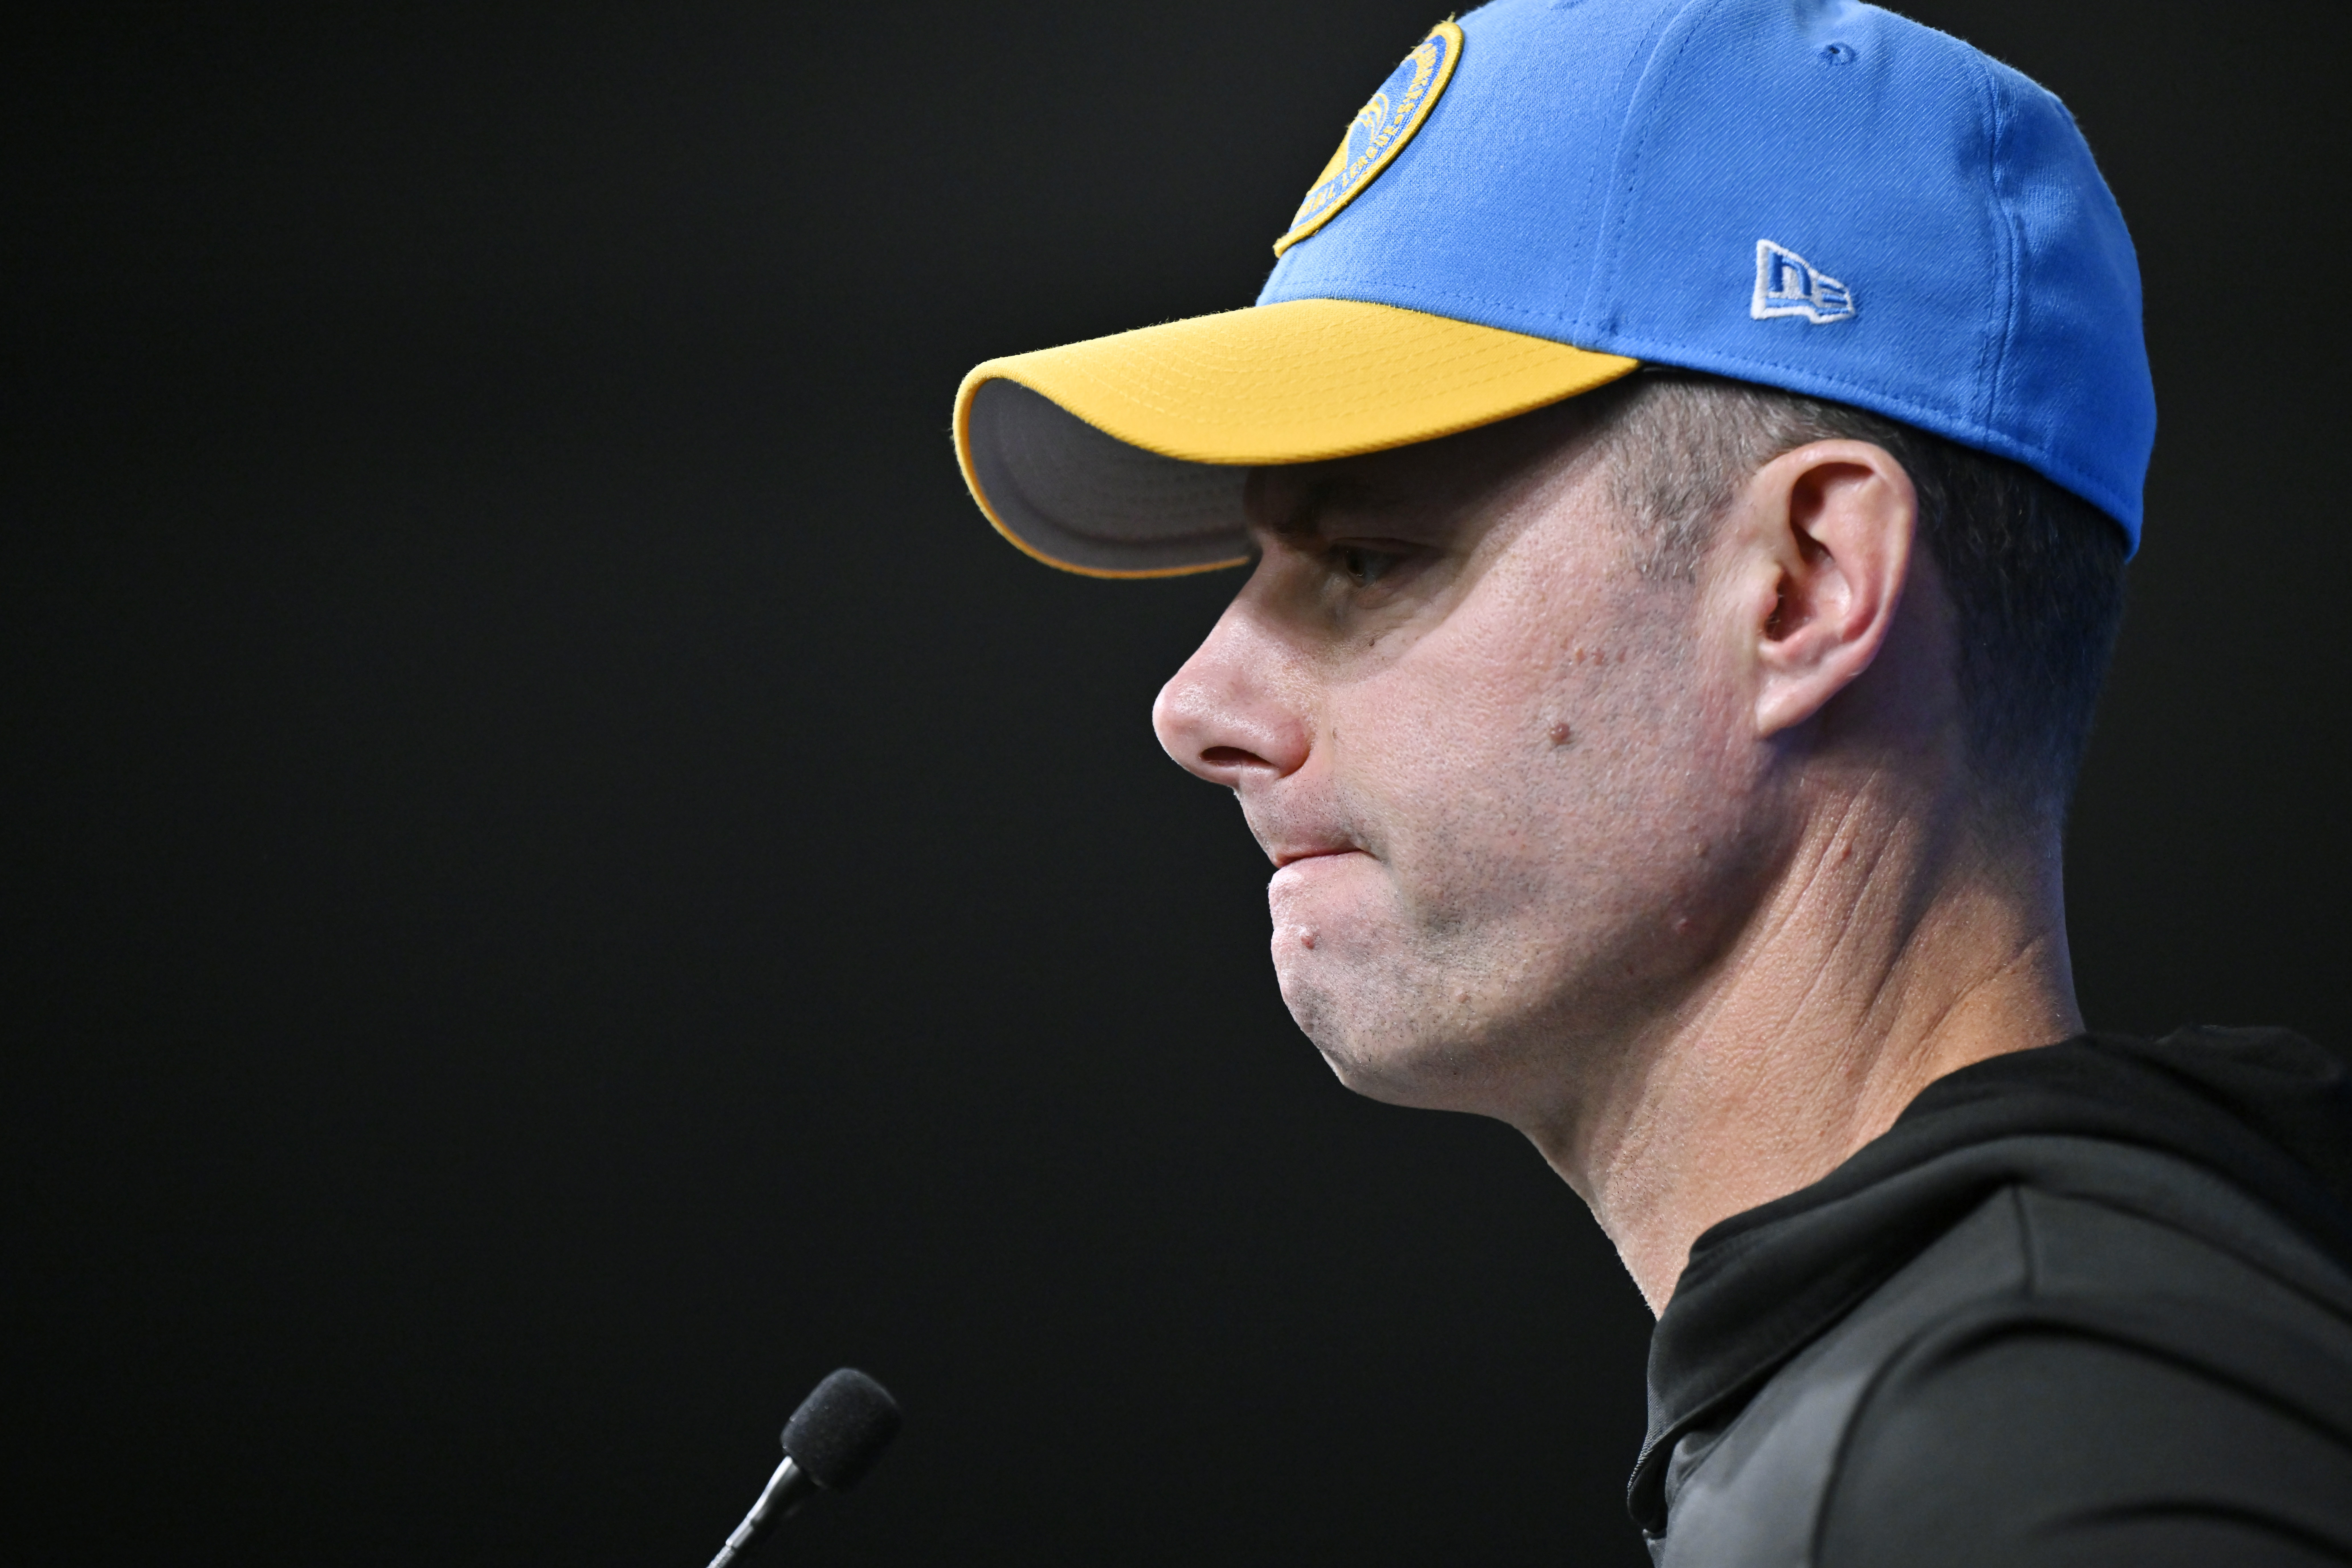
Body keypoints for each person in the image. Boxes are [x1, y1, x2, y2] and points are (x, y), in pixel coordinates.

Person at [950, 0, 2352, 1561]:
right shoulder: (2017, 1373)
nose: (1196, 703)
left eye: (1367, 556)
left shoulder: (2014, 1460)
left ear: (1806, 587)